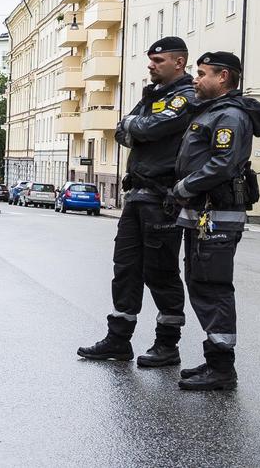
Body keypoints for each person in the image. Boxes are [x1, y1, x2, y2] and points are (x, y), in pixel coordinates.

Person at [78, 37, 196, 366]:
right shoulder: (152, 96)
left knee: (160, 272)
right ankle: (118, 340)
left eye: (158, 60)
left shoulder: (185, 97)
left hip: (163, 197)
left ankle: (167, 344)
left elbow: (152, 129)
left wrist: (137, 127)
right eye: (150, 60)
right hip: (137, 195)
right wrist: (137, 127)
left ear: (179, 63)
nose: (151, 65)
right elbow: (124, 131)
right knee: (126, 269)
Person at [169, 52, 260, 391]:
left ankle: (222, 369)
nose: (196, 79)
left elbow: (222, 165)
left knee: (213, 288)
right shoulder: (212, 112)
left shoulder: (229, 116)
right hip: (204, 215)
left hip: (216, 217)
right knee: (201, 285)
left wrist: (184, 186)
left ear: (223, 77)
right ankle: (215, 360)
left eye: (202, 73)